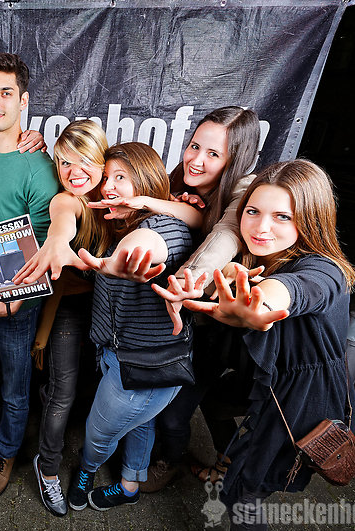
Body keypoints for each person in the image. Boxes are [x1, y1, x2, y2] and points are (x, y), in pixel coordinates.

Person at [176, 160, 355, 531]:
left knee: (242, 498)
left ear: (311, 220)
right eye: (253, 211)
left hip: (302, 405)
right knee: (215, 401)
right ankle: (229, 462)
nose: (261, 227)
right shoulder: (259, 257)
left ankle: (237, 476)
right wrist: (230, 280)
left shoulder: (325, 270)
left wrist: (258, 304)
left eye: (282, 217)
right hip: (265, 383)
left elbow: (292, 291)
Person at [92, 106, 262, 491]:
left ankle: (170, 463)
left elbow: (224, 234)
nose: (197, 160)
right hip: (168, 324)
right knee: (165, 406)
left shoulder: (243, 190)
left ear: (236, 160)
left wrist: (186, 281)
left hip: (213, 324)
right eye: (194, 146)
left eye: (214, 154)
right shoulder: (181, 182)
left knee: (176, 412)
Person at [67, 142, 194, 512]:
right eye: (106, 177)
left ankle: (87, 469)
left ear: (146, 182)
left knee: (98, 432)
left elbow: (152, 244)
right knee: (140, 422)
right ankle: (130, 484)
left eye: (121, 177)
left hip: (147, 366)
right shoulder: (117, 224)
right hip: (116, 354)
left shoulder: (166, 226)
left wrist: (127, 257)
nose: (108, 186)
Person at [0, 52, 59, 503]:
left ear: (24, 101)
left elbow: (45, 246)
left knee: (16, 387)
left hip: (18, 302)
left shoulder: (38, 166)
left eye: (6, 93)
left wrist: (16, 299)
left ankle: (6, 453)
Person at [12, 119, 111, 517]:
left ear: (103, 161)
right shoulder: (67, 200)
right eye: (65, 162)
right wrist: (56, 240)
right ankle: (48, 468)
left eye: (84, 160)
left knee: (93, 385)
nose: (74, 171)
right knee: (63, 393)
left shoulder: (120, 193)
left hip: (111, 309)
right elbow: (62, 218)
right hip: (70, 307)